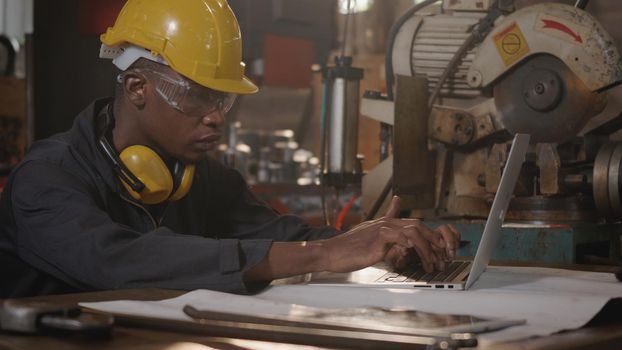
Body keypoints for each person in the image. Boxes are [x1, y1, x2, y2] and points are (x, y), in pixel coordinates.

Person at [0, 0, 459, 298]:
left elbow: (284, 235)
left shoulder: (203, 177)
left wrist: (382, 242)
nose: (216, 117)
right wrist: (325, 255)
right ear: (138, 87)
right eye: (196, 96)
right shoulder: (46, 180)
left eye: (223, 99)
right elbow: (118, 262)